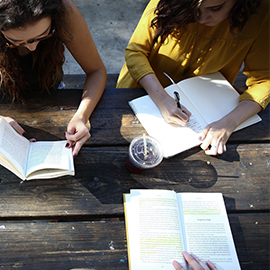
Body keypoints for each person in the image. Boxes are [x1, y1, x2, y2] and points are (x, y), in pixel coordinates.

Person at [117, 0, 269, 156]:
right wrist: (161, 98)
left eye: (215, 9)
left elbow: (264, 81)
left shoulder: (262, 15)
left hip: (210, 111)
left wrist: (228, 124)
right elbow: (136, 51)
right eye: (193, 10)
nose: (202, 19)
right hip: (140, 90)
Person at [0, 0, 107, 157]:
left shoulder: (64, 9)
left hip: (48, 86)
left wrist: (82, 116)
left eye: (42, 36)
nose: (32, 47)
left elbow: (96, 70)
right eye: (15, 41)